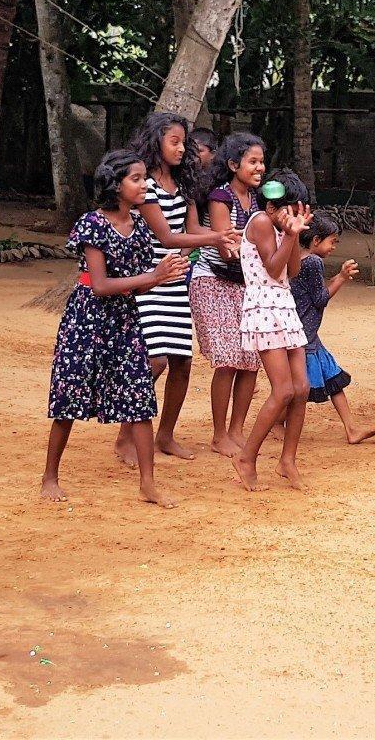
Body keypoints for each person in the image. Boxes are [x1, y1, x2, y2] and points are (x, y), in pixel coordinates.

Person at [43, 149, 190, 506]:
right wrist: (154, 276)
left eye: (145, 179)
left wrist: (160, 279)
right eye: (137, 179)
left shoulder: (139, 227)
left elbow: (135, 284)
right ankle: (49, 476)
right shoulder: (93, 224)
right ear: (115, 184)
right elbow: (100, 285)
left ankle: (148, 484)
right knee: (70, 398)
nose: (145, 186)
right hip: (87, 321)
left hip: (124, 320)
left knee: (139, 398)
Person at [117, 114, 238, 466]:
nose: (181, 147)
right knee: (154, 361)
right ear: (156, 141)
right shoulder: (143, 186)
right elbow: (165, 236)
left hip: (175, 278)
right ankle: (125, 436)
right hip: (150, 278)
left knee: (182, 362)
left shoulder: (183, 185)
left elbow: (192, 228)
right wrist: (216, 237)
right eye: (174, 140)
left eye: (183, 142)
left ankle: (165, 435)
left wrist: (215, 241)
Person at [231, 171, 313, 491]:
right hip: (264, 308)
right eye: (289, 208)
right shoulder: (262, 223)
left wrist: (293, 233)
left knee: (302, 387)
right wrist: (290, 235)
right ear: (272, 206)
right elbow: (273, 268)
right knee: (284, 390)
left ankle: (287, 460)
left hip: (284, 306)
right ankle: (246, 458)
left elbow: (292, 270)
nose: (294, 214)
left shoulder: (280, 226)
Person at [190, 132, 266, 457]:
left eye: (262, 161)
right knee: (228, 359)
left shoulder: (257, 201)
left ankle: (237, 430)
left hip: (244, 284)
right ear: (234, 164)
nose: (260, 167)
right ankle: (220, 433)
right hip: (213, 281)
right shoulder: (221, 196)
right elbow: (226, 249)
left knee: (250, 361)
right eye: (253, 161)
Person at [290, 214, 375, 444]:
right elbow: (320, 298)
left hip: (307, 334)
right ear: (315, 241)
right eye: (332, 241)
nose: (333, 247)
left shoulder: (301, 260)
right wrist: (341, 278)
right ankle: (276, 423)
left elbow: (313, 292)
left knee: (332, 378)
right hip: (305, 336)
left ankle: (351, 429)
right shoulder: (313, 262)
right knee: (299, 389)